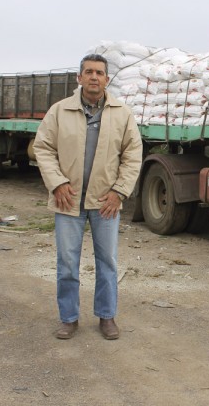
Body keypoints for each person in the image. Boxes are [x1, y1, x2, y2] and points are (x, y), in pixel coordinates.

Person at [33, 54, 142, 340]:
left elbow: (132, 155)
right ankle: (68, 318)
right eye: (89, 72)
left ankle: (107, 317)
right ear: (79, 78)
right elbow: (42, 148)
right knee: (67, 262)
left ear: (107, 79)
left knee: (107, 262)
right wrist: (56, 183)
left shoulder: (122, 113)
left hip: (105, 202)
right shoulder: (59, 111)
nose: (94, 77)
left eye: (100, 73)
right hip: (67, 200)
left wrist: (119, 192)